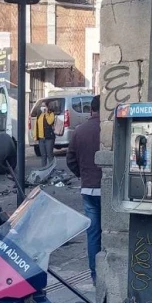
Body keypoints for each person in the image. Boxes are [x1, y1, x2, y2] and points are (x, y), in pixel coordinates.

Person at [67, 96, 102, 283]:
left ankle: (95, 275)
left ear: (91, 110)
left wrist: (82, 174)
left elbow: (70, 159)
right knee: (111, 233)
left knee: (93, 233)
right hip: (108, 189)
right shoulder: (109, 130)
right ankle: (109, 274)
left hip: (88, 189)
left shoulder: (79, 131)